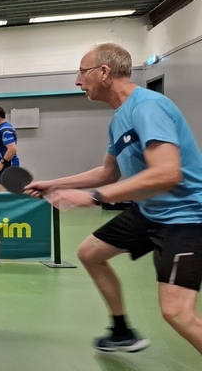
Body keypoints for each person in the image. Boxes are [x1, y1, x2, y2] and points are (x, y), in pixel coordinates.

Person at [25, 43, 202, 355]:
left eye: (82, 72)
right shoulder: (119, 117)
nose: (78, 81)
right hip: (150, 211)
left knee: (177, 313)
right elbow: (108, 173)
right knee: (90, 252)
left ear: (104, 72)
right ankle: (122, 332)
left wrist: (94, 198)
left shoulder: (148, 107)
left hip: (185, 217)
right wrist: (54, 184)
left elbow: (167, 173)